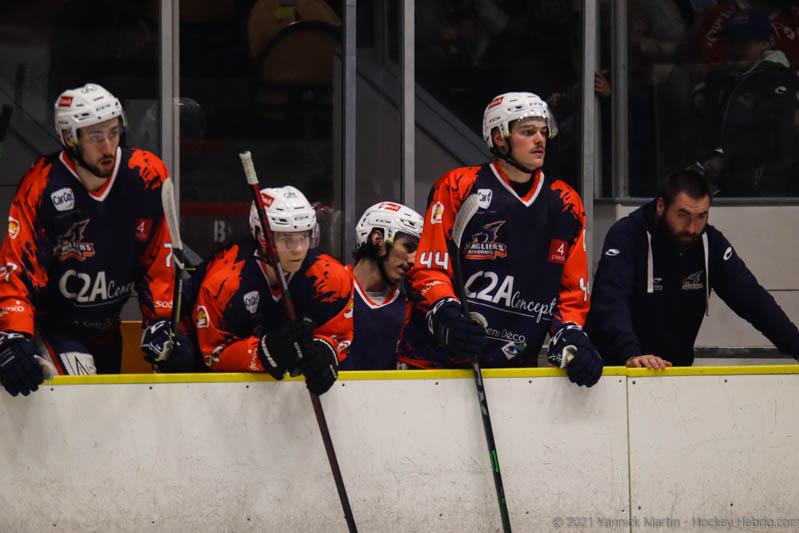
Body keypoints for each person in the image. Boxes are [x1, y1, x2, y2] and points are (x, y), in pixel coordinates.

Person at [396, 92, 603, 388]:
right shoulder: (459, 186)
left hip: (514, 369)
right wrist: (445, 311)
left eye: (543, 131)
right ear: (499, 138)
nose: (540, 140)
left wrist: (570, 335)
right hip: (435, 363)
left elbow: (572, 291)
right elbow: (429, 267)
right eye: (527, 132)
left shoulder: (565, 202)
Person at [0, 83, 184, 397]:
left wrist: (160, 321)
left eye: (114, 132)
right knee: (82, 396)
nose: (109, 146)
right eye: (96, 136)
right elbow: (17, 267)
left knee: (105, 410)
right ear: (69, 138)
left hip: (107, 328)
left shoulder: (145, 174)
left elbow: (158, 259)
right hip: (56, 324)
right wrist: (13, 335)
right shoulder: (42, 184)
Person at [586, 167, 799, 368]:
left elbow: (754, 300)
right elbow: (611, 301)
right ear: (661, 206)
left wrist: (795, 345)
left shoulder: (710, 242)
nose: (692, 228)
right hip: (616, 370)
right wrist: (630, 354)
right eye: (683, 215)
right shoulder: (627, 235)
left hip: (675, 372)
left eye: (701, 217)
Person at [190, 185, 353, 395]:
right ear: (261, 237)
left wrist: (324, 350)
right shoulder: (224, 284)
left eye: (303, 236)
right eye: (286, 239)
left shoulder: (331, 278)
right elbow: (213, 351)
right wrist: (262, 353)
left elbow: (339, 335)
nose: (298, 249)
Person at [694, 7, 797, 196]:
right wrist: (709, 158)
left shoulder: (778, 79)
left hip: (763, 185)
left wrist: (725, 158)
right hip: (720, 180)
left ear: (765, 43)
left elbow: (774, 136)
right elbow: (706, 126)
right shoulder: (720, 78)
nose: (735, 49)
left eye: (744, 42)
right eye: (731, 41)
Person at [340, 201, 423, 371]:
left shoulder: (409, 309)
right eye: (408, 247)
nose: (413, 260)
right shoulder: (328, 291)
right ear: (378, 239)